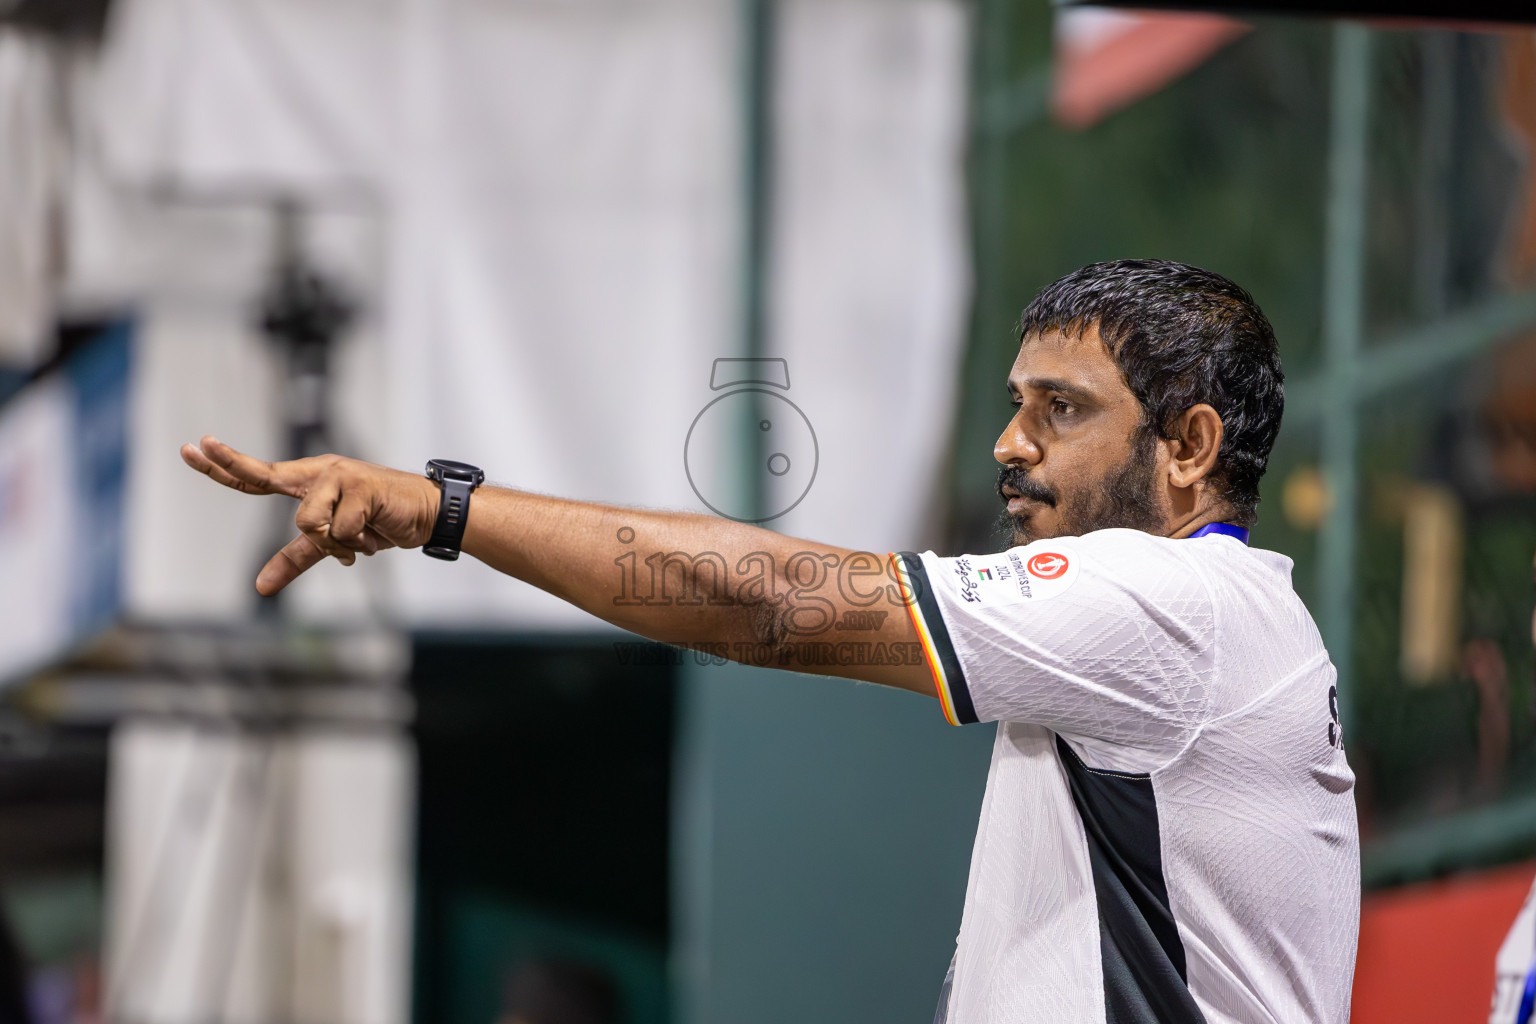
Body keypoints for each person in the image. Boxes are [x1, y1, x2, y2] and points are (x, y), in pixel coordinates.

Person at [182, 259, 1359, 1023]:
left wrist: (442, 508)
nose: (1010, 441)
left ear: (1191, 445)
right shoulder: (1207, 629)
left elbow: (767, 602)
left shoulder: (1172, 602)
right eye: (1014, 401)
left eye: (1062, 408)